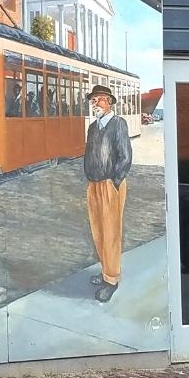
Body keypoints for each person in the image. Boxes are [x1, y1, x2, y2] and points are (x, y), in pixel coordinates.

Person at [83, 84, 132, 303]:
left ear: (109, 102)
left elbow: (125, 156)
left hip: (110, 185)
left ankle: (111, 280)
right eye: (92, 100)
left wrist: (115, 181)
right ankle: (105, 272)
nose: (95, 104)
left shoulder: (118, 124)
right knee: (99, 231)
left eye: (99, 100)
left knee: (111, 232)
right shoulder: (93, 128)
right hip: (93, 184)